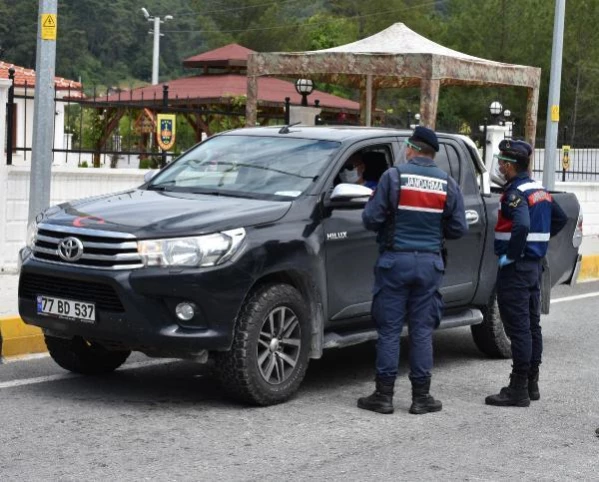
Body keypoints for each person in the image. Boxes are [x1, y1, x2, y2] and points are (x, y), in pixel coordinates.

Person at [357, 126, 467, 415]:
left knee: (390, 330)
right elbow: (458, 228)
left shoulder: (393, 177)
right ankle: (421, 397)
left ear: (412, 147)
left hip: (395, 263)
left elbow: (371, 219)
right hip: (430, 264)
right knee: (421, 331)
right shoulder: (446, 183)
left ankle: (383, 396)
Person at [485, 139, 568, 407]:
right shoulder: (539, 190)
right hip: (534, 268)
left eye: (502, 162)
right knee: (532, 326)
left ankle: (517, 388)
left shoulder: (515, 193)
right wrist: (539, 242)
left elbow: (520, 225)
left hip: (517, 269)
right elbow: (561, 218)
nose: (499, 165)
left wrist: (514, 253)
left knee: (518, 329)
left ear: (510, 165)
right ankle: (532, 383)